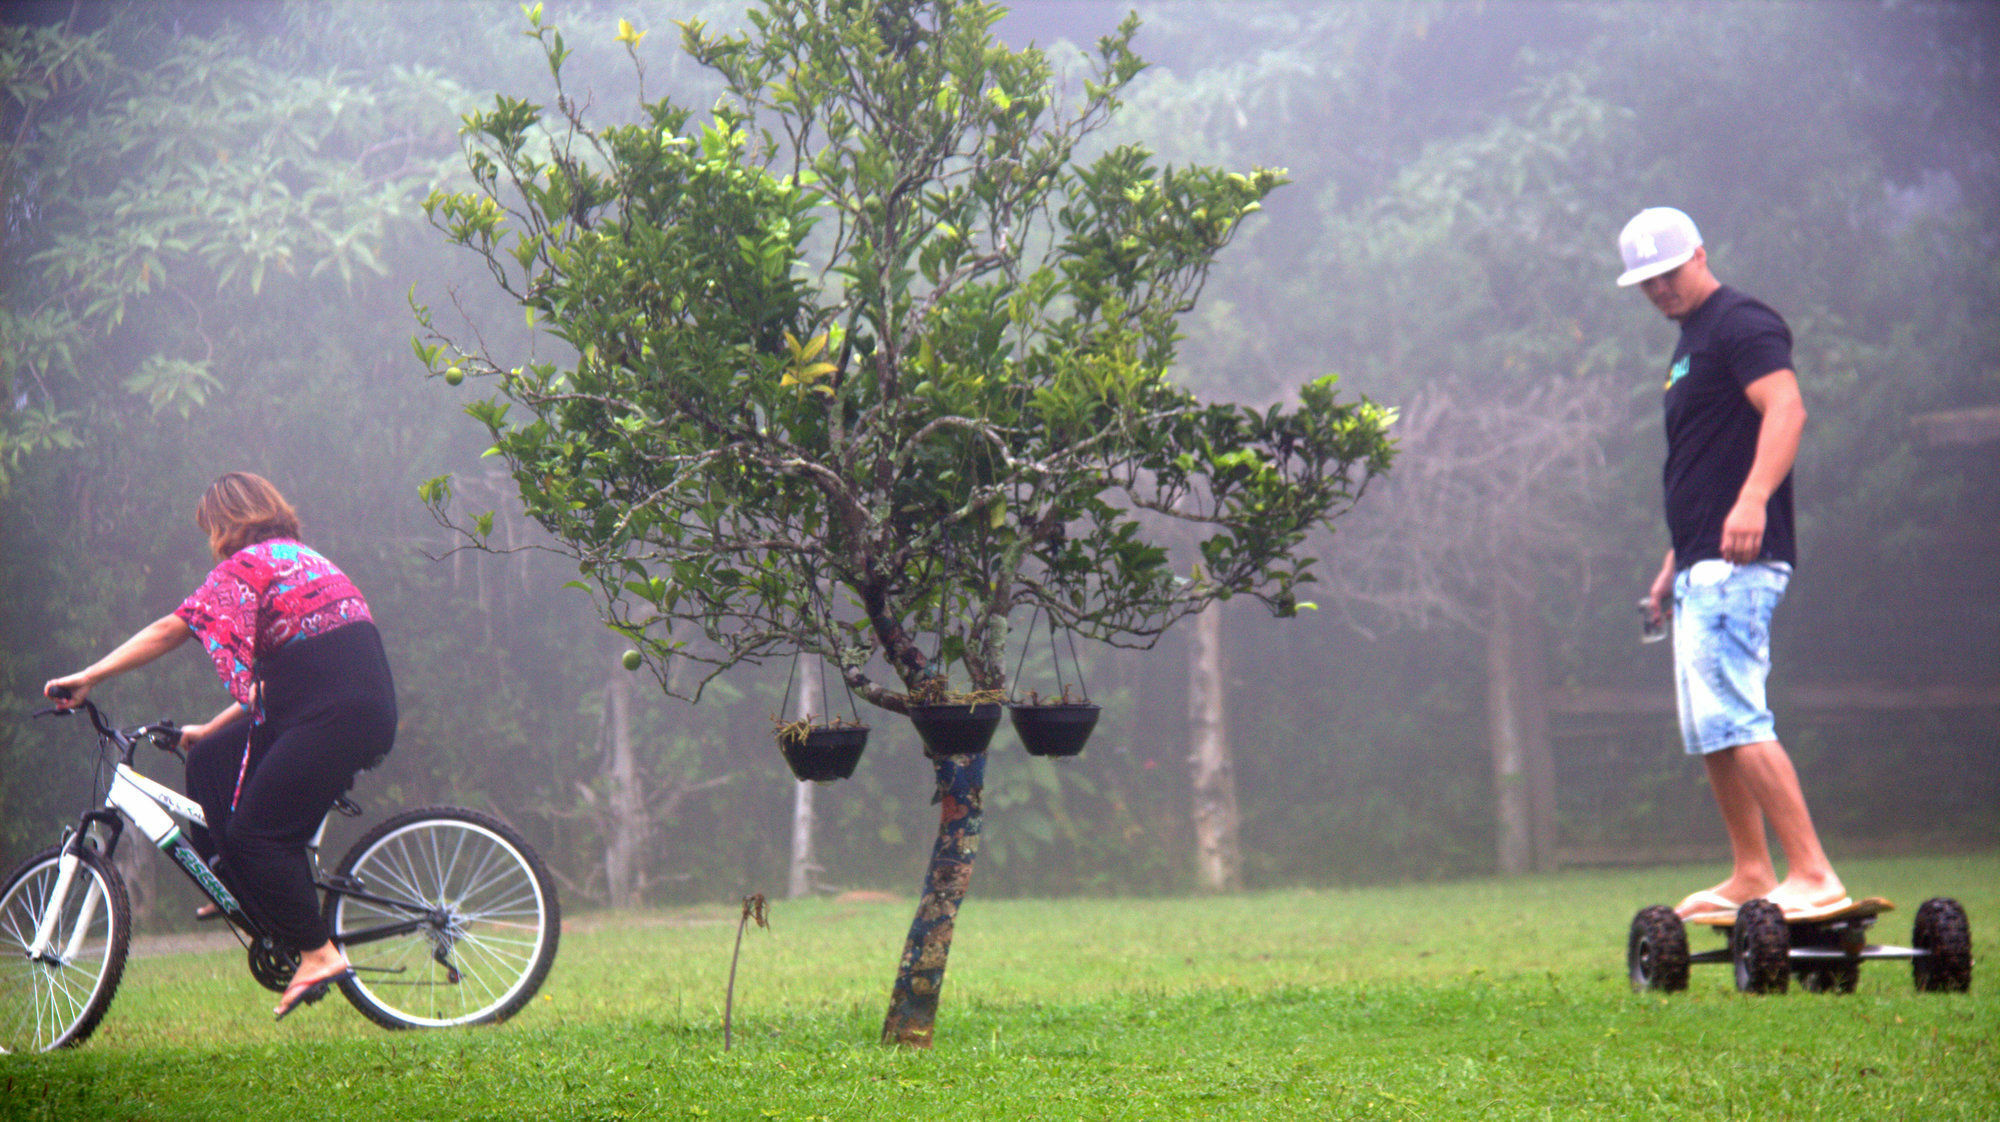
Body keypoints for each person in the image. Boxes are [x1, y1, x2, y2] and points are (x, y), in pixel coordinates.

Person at [45, 472, 397, 1018]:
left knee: (259, 833)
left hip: (328, 716)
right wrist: (210, 728)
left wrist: (89, 676)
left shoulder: (248, 566)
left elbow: (173, 628)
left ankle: (318, 953)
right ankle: (234, 882)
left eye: (210, 526)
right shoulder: (306, 561)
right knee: (210, 758)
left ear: (225, 523)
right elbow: (296, 670)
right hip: (349, 708)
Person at [1618, 207, 1848, 922]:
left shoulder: (1740, 322)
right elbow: (1702, 465)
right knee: (1711, 729)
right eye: (1646, 283)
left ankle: (1812, 872)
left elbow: (1786, 409)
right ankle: (1752, 871)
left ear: (1699, 254)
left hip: (1737, 563)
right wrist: (1671, 565)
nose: (1659, 291)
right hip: (1699, 565)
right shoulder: (1691, 344)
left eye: (1667, 274)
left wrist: (1753, 500)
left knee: (1739, 717)